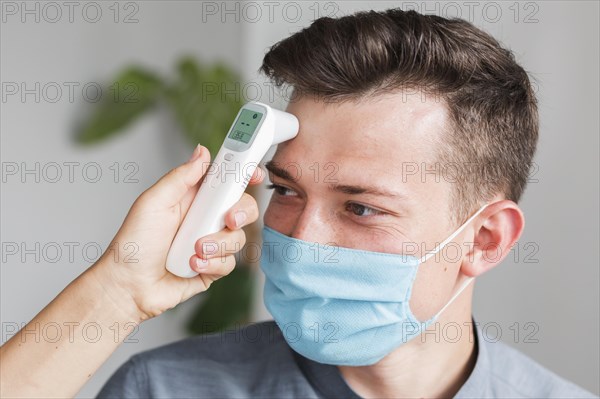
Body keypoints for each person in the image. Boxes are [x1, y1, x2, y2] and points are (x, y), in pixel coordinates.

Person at [1, 8, 596, 399]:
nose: (300, 237)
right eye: (285, 190)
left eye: (360, 207)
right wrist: (117, 293)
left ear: (485, 239)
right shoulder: (165, 388)